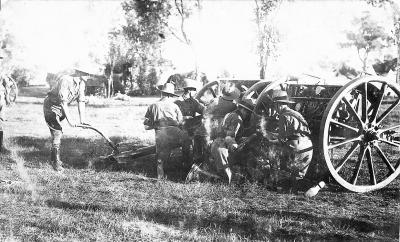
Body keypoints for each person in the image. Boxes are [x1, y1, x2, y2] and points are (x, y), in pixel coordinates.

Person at [43, 67, 94, 172]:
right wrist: (70, 121)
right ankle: (55, 163)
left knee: (57, 133)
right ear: (79, 73)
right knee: (57, 132)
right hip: (51, 107)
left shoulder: (82, 83)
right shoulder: (65, 80)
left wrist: (82, 120)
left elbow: (81, 101)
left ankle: (53, 158)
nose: (88, 77)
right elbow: (63, 102)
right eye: (86, 74)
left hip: (61, 109)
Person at [264, 90, 314, 192]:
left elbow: (281, 140)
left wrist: (269, 140)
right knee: (298, 175)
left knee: (274, 154)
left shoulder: (283, 116)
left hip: (296, 147)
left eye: (275, 106)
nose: (275, 109)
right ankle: (295, 190)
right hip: (308, 146)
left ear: (278, 105)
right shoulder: (296, 114)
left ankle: (276, 183)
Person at [144, 82, 191, 179]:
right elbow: (181, 122)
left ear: (162, 93)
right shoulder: (174, 106)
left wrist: (156, 125)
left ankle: (160, 175)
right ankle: (185, 167)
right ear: (170, 95)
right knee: (187, 140)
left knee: (160, 155)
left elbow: (146, 125)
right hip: (175, 132)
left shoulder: (152, 106)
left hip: (160, 132)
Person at [210, 98, 256, 183]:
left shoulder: (230, 114)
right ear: (242, 109)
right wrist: (236, 146)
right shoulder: (237, 119)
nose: (247, 114)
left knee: (222, 173)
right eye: (247, 112)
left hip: (217, 144)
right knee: (227, 176)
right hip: (222, 148)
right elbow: (229, 138)